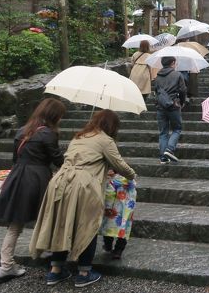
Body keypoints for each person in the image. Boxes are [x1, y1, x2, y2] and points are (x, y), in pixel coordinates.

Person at [30, 109, 136, 288]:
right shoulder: (105, 140)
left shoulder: (79, 136)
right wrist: (132, 175)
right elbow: (121, 165)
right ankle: (84, 273)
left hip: (59, 181)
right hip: (83, 185)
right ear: (112, 126)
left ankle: (55, 271)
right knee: (88, 225)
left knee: (61, 224)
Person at [0, 98, 67, 284]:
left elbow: (15, 158)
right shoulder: (48, 134)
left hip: (18, 177)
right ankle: (48, 254)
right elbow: (58, 161)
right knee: (46, 217)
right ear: (54, 115)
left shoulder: (22, 131)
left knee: (15, 225)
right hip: (38, 179)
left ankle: (6, 265)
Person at [154, 56, 187, 164]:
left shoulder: (157, 76)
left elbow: (156, 91)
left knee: (163, 132)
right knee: (177, 129)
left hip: (160, 106)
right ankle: (169, 149)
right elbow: (183, 90)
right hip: (173, 105)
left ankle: (163, 157)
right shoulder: (178, 75)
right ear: (172, 62)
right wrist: (182, 102)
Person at [100, 171, 136, 259]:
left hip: (112, 207)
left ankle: (110, 247)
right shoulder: (127, 179)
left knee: (108, 225)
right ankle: (118, 250)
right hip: (125, 206)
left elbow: (108, 192)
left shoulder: (108, 179)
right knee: (124, 226)